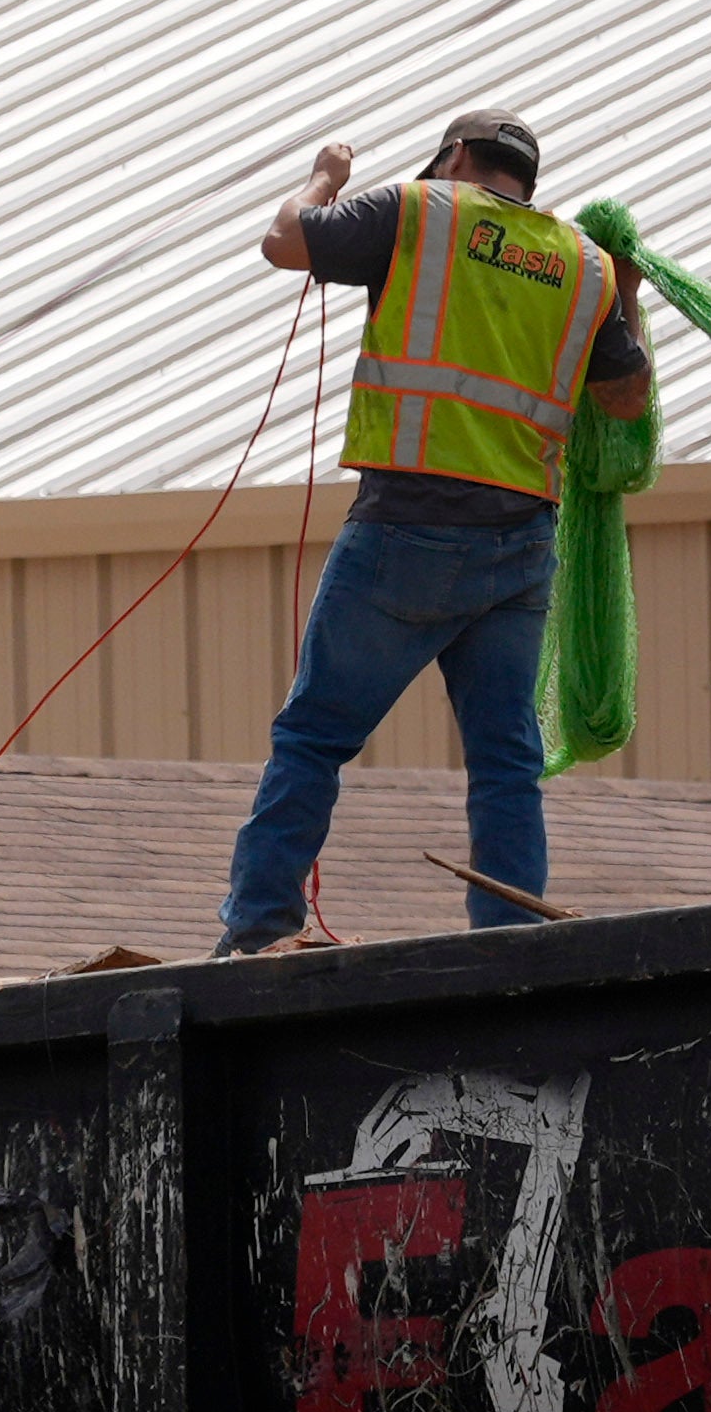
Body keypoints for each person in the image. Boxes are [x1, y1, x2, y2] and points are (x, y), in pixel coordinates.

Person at [216, 108, 653, 955]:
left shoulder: (419, 209)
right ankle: (509, 942)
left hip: (404, 533)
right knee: (505, 764)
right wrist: (627, 294)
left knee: (312, 737)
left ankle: (257, 929)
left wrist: (325, 178)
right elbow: (625, 398)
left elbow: (284, 244)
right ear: (525, 178)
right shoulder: (585, 266)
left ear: (455, 158)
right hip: (522, 544)